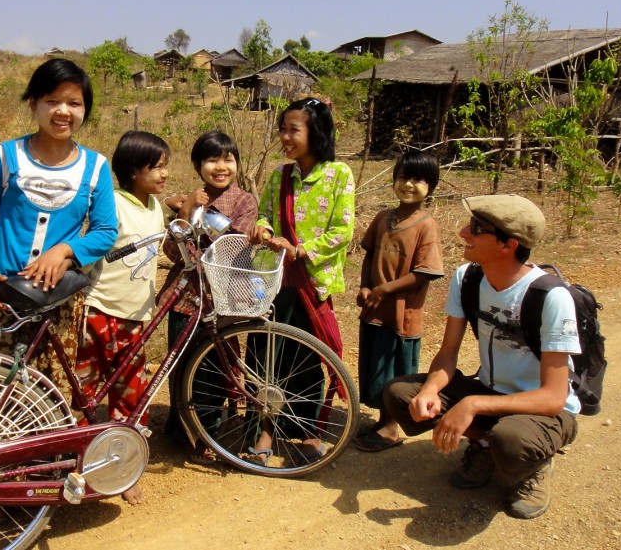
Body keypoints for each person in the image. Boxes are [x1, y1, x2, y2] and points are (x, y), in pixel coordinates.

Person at [372, 194, 580, 520]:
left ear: (507, 245)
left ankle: (534, 462)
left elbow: (553, 398)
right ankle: (485, 445)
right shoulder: (468, 278)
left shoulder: (552, 297)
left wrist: (472, 405)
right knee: (400, 395)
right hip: (490, 391)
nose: (463, 233)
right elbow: (447, 355)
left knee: (511, 439)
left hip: (542, 411)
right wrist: (429, 390)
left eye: (476, 228)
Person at [0, 58, 117, 402]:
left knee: (52, 394)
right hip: (4, 298)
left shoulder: (95, 167)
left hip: (60, 302)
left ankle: (46, 456)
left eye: (74, 103)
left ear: (85, 110)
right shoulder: (3, 157)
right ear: (34, 104)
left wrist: (66, 251)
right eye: (52, 101)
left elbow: (106, 230)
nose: (63, 111)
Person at [246, 97, 355, 465]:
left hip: (312, 283)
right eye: (283, 128)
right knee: (266, 356)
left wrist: (301, 250)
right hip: (275, 282)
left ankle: (309, 433)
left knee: (308, 358)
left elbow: (343, 230)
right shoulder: (279, 175)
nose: (285, 136)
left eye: (294, 129)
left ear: (316, 132)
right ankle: (263, 429)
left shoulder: (339, 175)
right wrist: (261, 228)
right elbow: (263, 214)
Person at [75, 130, 168, 505]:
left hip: (135, 319)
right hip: (98, 313)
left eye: (165, 166)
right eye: (156, 167)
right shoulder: (112, 204)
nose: (164, 174)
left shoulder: (156, 207)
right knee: (83, 396)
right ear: (132, 171)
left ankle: (124, 471)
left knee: (132, 397)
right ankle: (77, 467)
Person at [159, 131, 258, 464]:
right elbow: (174, 252)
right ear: (198, 165)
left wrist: (201, 216)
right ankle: (183, 428)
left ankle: (212, 431)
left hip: (223, 295)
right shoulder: (189, 199)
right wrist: (186, 208)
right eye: (212, 159)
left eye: (228, 159)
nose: (221, 166)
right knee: (182, 362)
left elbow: (232, 249)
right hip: (186, 295)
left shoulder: (245, 201)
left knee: (218, 365)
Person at [351, 150, 444, 452]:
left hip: (402, 314)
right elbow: (368, 256)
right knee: (375, 364)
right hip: (375, 309)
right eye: (403, 177)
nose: (409, 185)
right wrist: (366, 287)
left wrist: (385, 289)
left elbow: (423, 273)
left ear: (430, 186)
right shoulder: (382, 218)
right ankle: (382, 420)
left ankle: (392, 427)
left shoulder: (426, 225)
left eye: (418, 180)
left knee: (395, 369)